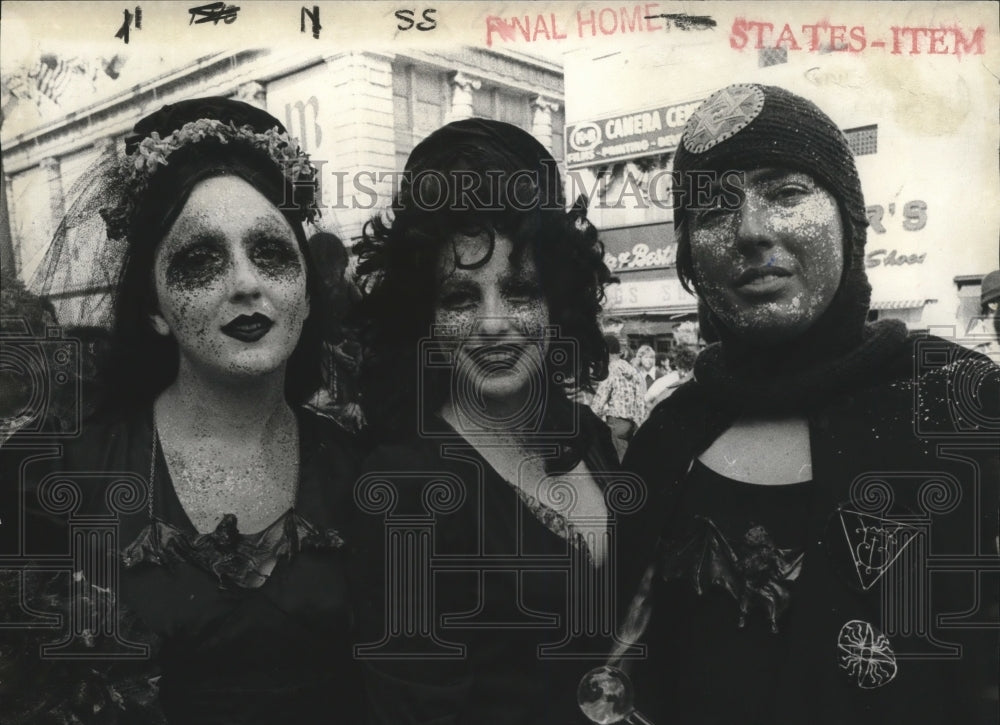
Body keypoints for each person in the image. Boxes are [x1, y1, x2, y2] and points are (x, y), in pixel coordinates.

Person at [619, 84, 999, 725]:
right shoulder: (668, 437)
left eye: (787, 193)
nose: (750, 230)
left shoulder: (966, 406)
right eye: (713, 209)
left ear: (850, 221)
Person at [2, 98, 364, 724]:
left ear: (305, 294)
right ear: (153, 307)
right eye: (202, 259)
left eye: (272, 254)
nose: (246, 283)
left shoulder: (367, 471)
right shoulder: (56, 479)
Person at [351, 118, 624, 725]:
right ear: (422, 317)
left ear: (560, 303)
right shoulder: (404, 487)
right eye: (459, 298)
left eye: (521, 290)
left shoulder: (589, 435)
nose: (494, 323)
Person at [590, 334, 646, 461]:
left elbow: (600, 398)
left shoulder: (610, 369)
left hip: (616, 422)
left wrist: (590, 416)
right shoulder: (632, 370)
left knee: (616, 464)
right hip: (633, 423)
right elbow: (641, 397)